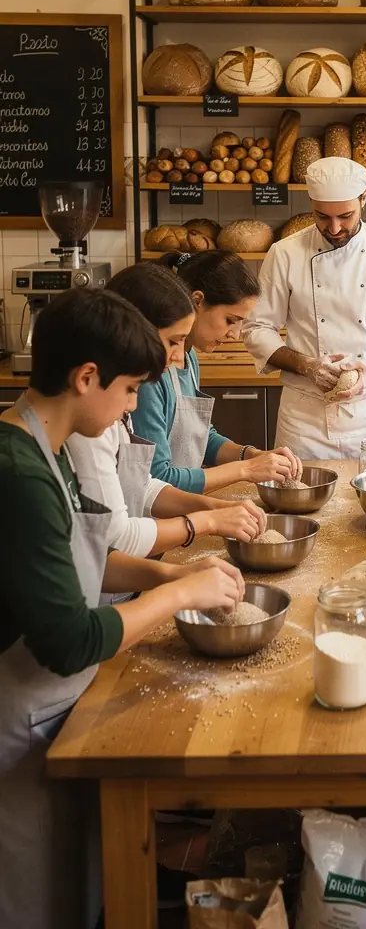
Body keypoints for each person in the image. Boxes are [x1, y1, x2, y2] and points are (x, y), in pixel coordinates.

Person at [0, 288, 244, 929]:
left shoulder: (43, 444)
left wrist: (172, 570)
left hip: (53, 709)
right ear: (87, 378)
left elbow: (87, 557)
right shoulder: (19, 472)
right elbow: (68, 639)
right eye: (131, 389)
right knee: (40, 903)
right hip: (18, 717)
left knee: (86, 884)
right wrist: (177, 595)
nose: (134, 407)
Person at [66, 264, 268, 577]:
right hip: (108, 586)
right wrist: (207, 520)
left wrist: (212, 508)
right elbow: (117, 537)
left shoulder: (107, 410)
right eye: (174, 342)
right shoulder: (87, 421)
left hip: (130, 569)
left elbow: (142, 486)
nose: (178, 356)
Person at [242, 157, 366, 457]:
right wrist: (307, 366)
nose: (334, 228)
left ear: (364, 198)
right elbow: (256, 328)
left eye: (345, 216)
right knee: (299, 497)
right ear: (311, 203)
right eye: (322, 217)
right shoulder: (284, 254)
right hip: (304, 419)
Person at [132, 250, 301, 492]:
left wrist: (251, 455)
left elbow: (202, 439)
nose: (235, 334)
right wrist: (246, 470)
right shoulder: (152, 372)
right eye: (231, 320)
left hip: (179, 508)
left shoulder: (189, 358)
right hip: (152, 520)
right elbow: (157, 477)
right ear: (197, 301)